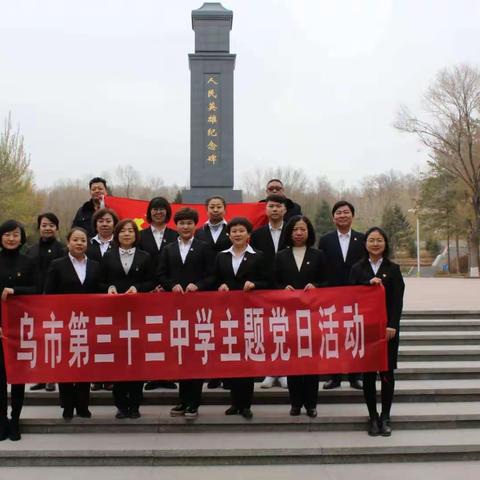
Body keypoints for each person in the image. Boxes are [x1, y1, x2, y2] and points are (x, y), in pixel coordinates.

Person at [156, 207, 215, 418]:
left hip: (198, 310)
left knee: (195, 356)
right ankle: (182, 401)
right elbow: (161, 274)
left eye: (189, 223)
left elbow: (212, 276)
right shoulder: (168, 248)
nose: (185, 227)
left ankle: (193, 402)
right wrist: (171, 285)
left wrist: (197, 285)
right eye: (181, 223)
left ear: (195, 225)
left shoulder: (204, 247)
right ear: (176, 225)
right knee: (180, 355)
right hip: (175, 310)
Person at [350, 227, 405, 436]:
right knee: (369, 373)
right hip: (365, 330)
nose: (375, 244)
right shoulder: (357, 268)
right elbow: (350, 295)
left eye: (379, 240)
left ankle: (386, 416)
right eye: (371, 240)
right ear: (365, 244)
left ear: (385, 243)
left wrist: (393, 324)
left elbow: (397, 301)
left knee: (387, 372)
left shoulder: (393, 268)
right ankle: (372, 416)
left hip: (387, 330)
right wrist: (367, 282)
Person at [213, 217, 269, 419]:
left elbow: (268, 282)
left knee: (247, 359)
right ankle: (234, 402)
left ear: (248, 235)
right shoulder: (221, 256)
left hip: (250, 314)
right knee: (232, 359)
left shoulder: (259, 256)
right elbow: (215, 279)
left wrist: (255, 284)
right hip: (227, 315)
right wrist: (220, 285)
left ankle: (246, 404)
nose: (237, 234)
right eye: (234, 231)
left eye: (241, 231)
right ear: (228, 235)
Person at [44, 227, 102, 421]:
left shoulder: (94, 265)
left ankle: (83, 405)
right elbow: (48, 295)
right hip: (64, 323)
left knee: (85, 364)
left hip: (88, 323)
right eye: (75, 240)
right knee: (66, 365)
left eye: (83, 240)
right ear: (68, 243)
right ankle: (67, 405)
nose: (79, 243)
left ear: (87, 243)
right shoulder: (57, 264)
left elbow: (100, 292)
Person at [100, 219, 155, 419]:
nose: (126, 234)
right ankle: (121, 405)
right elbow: (100, 280)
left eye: (130, 231)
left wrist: (138, 288)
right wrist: (109, 288)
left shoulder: (145, 256)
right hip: (115, 316)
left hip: (138, 314)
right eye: (122, 231)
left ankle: (135, 404)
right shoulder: (108, 256)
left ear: (136, 235)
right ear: (117, 235)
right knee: (119, 360)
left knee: (136, 359)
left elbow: (152, 281)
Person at [274, 215, 327, 418]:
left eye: (302, 229)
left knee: (311, 361)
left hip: (312, 315)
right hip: (288, 316)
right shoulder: (281, 256)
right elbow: (274, 282)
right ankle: (295, 403)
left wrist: (317, 286)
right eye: (295, 229)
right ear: (289, 232)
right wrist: (282, 288)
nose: (298, 233)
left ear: (309, 232)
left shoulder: (318, 255)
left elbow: (327, 280)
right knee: (294, 360)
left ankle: (311, 404)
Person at [318, 200, 365, 390]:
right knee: (333, 335)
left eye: (346, 212)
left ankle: (356, 377)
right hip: (332, 295)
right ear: (333, 217)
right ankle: (334, 377)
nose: (343, 215)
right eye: (338, 212)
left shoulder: (362, 239)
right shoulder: (326, 240)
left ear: (353, 216)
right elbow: (321, 266)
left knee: (355, 335)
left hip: (356, 295)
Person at [0, 220, 36, 441]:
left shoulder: (28, 261)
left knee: (19, 377)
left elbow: (37, 288)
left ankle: (15, 420)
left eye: (15, 235)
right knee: (1, 377)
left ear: (21, 238)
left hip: (22, 328)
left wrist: (15, 290)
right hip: (0, 329)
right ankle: (2, 420)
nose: (11, 238)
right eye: (7, 234)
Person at [139, 197, 178, 392]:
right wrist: (151, 286)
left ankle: (168, 375)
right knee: (151, 334)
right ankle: (153, 375)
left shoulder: (175, 234)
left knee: (169, 334)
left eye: (162, 209)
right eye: (154, 209)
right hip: (147, 291)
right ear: (149, 212)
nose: (158, 212)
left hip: (170, 291)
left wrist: (165, 285)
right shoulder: (141, 235)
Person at [250, 194, 288, 389]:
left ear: (285, 210)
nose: (274, 209)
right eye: (271, 206)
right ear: (266, 210)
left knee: (285, 331)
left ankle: (283, 371)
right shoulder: (256, 235)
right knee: (267, 332)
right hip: (264, 288)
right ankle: (269, 371)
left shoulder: (292, 231)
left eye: (278, 206)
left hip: (288, 288)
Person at [195, 195, 231, 389]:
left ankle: (228, 375)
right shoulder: (199, 232)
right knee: (210, 333)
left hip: (228, 287)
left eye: (219, 206)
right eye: (212, 207)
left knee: (227, 332)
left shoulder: (232, 230)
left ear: (225, 209)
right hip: (206, 288)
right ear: (206, 210)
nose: (215, 210)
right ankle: (214, 374)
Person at [27, 212, 66, 393]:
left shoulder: (63, 249)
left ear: (56, 228)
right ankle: (42, 377)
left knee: (55, 340)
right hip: (34, 301)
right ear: (39, 227)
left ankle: (54, 377)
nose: (47, 228)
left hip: (55, 302)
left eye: (51, 225)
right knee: (39, 340)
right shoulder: (31, 250)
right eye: (44, 225)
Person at [86, 207, 119, 392]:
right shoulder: (88, 244)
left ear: (114, 223)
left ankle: (111, 377)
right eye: (100, 221)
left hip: (116, 300)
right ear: (95, 224)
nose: (104, 224)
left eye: (108, 220)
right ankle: (96, 377)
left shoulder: (121, 243)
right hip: (94, 297)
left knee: (112, 340)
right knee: (95, 340)